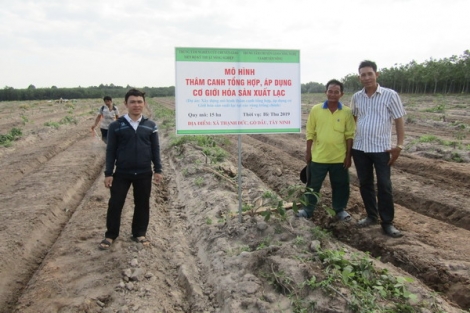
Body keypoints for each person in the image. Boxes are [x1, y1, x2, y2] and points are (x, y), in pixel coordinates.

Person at [99, 88, 163, 250]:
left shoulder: (150, 125)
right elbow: (111, 151)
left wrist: (158, 170)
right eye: (132, 102)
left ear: (144, 103)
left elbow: (155, 149)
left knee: (142, 204)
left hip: (143, 172)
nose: (136, 105)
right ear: (125, 104)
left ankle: (139, 233)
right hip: (122, 173)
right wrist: (108, 173)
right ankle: (110, 235)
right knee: (115, 204)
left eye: (139, 102)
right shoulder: (116, 126)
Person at [350, 60, 406, 238]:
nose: (366, 78)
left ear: (376, 74)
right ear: (359, 77)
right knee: (365, 183)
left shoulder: (390, 95)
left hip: (381, 149)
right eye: (363, 75)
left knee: (384, 185)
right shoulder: (356, 97)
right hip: (360, 148)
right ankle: (371, 216)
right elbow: (353, 120)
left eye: (369, 74)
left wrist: (399, 145)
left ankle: (387, 222)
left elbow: (399, 120)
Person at [296, 79, 356, 221]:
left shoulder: (347, 112)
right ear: (325, 92)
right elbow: (310, 132)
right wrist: (308, 151)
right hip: (319, 157)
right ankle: (307, 210)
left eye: (336, 92)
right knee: (312, 185)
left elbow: (349, 135)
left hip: (339, 158)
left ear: (341, 94)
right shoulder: (316, 110)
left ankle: (339, 210)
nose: (333, 94)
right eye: (330, 91)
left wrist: (348, 156)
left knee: (341, 185)